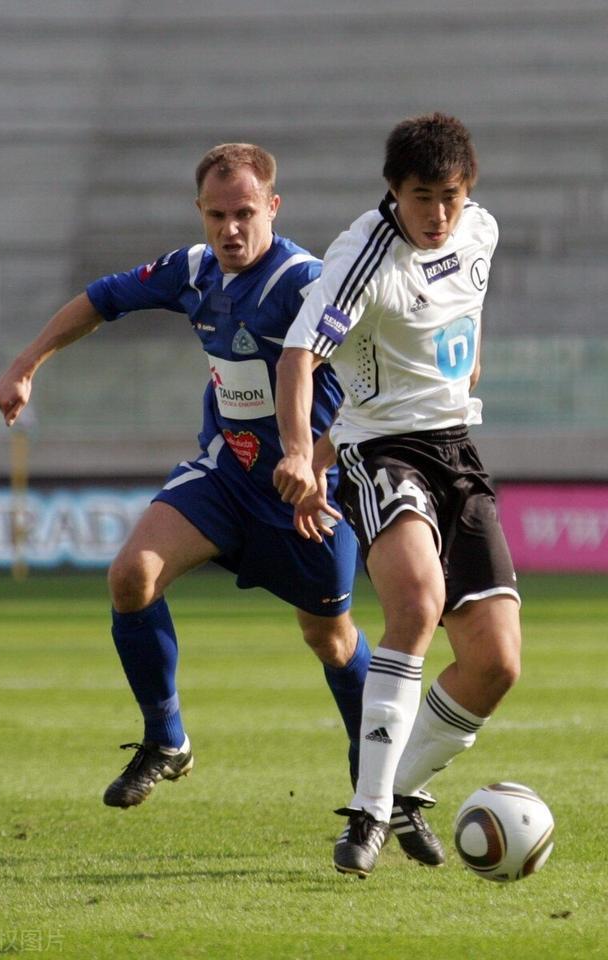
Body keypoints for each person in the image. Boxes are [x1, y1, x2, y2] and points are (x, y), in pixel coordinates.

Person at [0, 143, 373, 812]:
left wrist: (316, 458)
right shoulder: (193, 271)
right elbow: (101, 298)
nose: (231, 229)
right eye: (217, 215)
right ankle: (167, 740)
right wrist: (26, 364)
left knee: (330, 638)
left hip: (307, 494)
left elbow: (372, 384)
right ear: (199, 211)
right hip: (226, 474)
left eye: (245, 213)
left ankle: (378, 776)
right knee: (131, 576)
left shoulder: (307, 284)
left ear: (273, 208)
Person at [273, 113, 522, 877]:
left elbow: (463, 319)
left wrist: (465, 371)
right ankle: (368, 812)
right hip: (383, 452)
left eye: (450, 195)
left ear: (467, 190)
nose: (438, 214)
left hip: (457, 451)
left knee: (496, 663)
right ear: (393, 190)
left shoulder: (480, 231)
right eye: (422, 197)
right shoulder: (361, 257)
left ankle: (402, 790)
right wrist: (301, 453)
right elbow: (299, 356)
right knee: (416, 604)